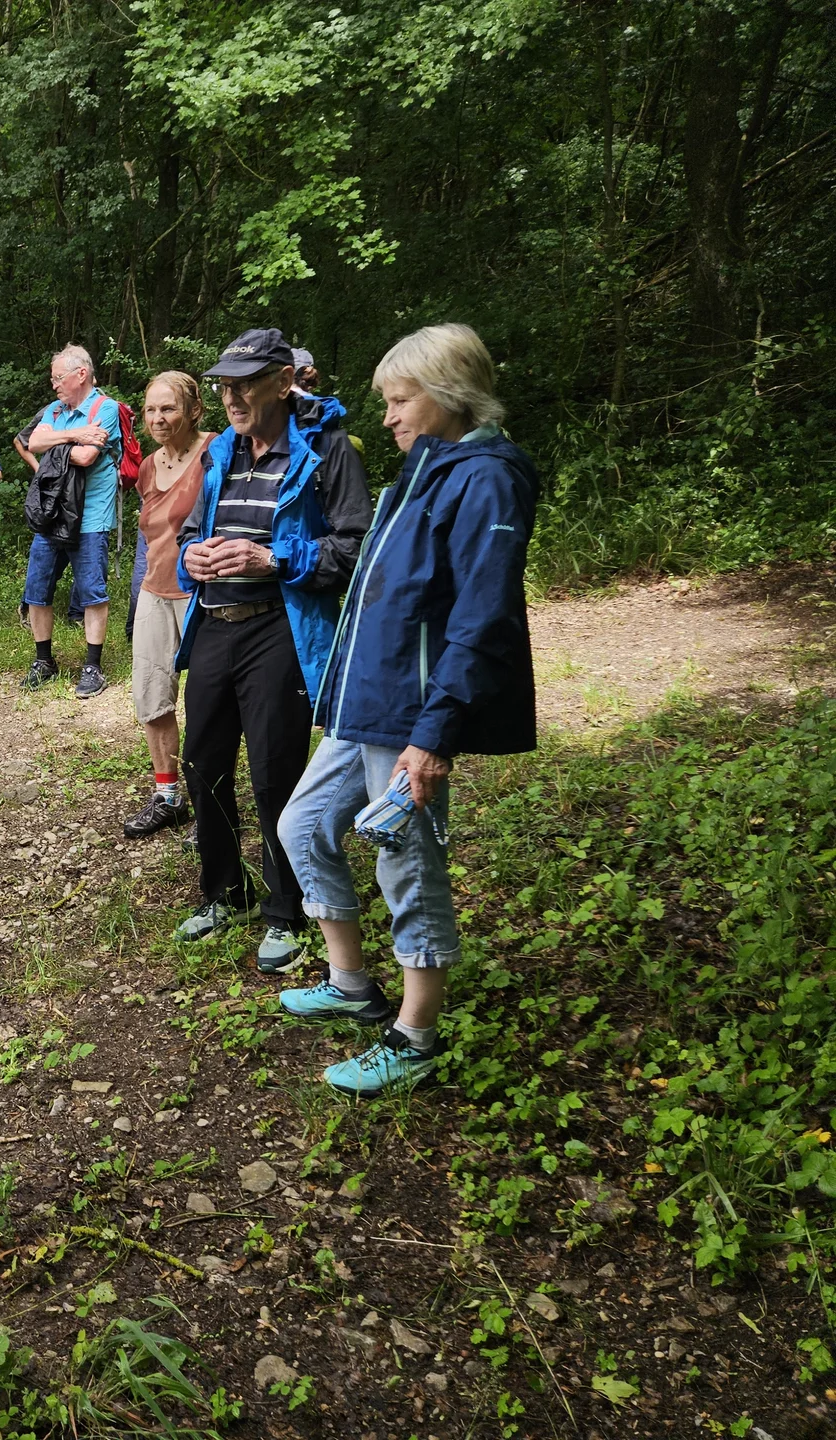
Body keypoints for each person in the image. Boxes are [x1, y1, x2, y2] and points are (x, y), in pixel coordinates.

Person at [276, 324, 536, 1095]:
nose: (387, 416)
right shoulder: (423, 470)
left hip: (412, 711)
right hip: (367, 699)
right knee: (302, 825)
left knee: (408, 860)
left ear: (449, 392)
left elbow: (482, 615)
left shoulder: (487, 478)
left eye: (400, 399)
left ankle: (414, 1036)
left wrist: (435, 734)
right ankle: (352, 984)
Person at [173, 328, 373, 974]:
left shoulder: (327, 451)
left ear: (284, 383)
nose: (231, 396)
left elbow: (354, 549)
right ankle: (223, 892)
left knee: (275, 771)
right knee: (202, 763)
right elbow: (193, 531)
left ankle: (285, 912)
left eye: (245, 383)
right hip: (212, 621)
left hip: (277, 627)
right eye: (224, 385)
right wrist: (190, 556)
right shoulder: (221, 451)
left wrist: (273, 556)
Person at [122, 372, 214, 840]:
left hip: (206, 595)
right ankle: (168, 796)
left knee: (209, 706)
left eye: (168, 409)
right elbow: (152, 536)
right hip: (156, 592)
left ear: (193, 410)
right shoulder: (147, 467)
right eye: (151, 410)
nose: (157, 419)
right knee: (152, 696)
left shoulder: (218, 452)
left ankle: (211, 804)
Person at [21, 345, 124, 698]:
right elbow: (33, 441)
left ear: (80, 374)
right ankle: (43, 661)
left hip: (91, 516)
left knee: (92, 592)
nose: (54, 386)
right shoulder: (55, 409)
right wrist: (74, 434)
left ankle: (93, 666)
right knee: (37, 588)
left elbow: (85, 457)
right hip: (53, 513)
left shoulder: (105, 408)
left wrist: (64, 443)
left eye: (58, 378)